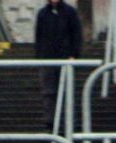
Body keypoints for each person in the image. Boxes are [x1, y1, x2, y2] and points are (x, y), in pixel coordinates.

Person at [35, 0, 83, 130]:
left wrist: (74, 54)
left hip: (65, 58)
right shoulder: (42, 14)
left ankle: (71, 123)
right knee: (48, 92)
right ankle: (50, 122)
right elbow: (39, 37)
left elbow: (76, 34)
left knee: (68, 91)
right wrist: (38, 57)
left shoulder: (70, 12)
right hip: (47, 59)